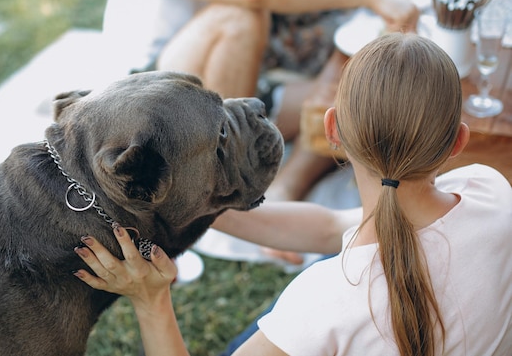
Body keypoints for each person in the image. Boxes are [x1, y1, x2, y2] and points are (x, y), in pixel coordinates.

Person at [74, 33, 512, 355]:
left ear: (332, 130)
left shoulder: (327, 300)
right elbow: (332, 227)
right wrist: (198, 202)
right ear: (457, 140)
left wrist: (152, 301)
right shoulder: (489, 192)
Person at [103, 0, 420, 263]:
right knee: (239, 14)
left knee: (352, 99)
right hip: (145, 111)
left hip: (209, 100)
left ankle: (284, 190)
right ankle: (223, 181)